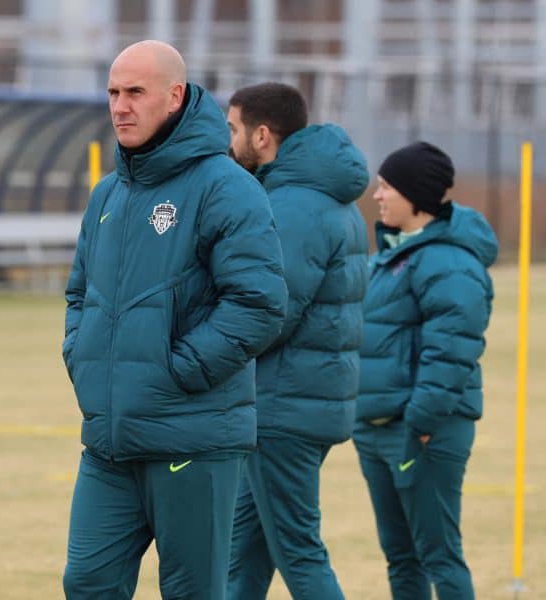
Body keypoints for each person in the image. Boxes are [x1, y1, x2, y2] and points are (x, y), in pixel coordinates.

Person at [61, 41, 288, 600]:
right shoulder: (108, 194)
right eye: (113, 92)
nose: (120, 106)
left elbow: (258, 303)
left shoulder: (226, 187)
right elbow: (78, 295)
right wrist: (82, 357)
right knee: (86, 583)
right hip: (110, 444)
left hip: (193, 442)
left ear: (175, 95)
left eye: (135, 92)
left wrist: (177, 370)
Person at [224, 82, 369, 600]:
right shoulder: (320, 198)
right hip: (299, 403)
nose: (229, 139)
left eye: (233, 128)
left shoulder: (294, 206)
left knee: (300, 554)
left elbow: (270, 311)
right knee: (240, 556)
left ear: (261, 136)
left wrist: (209, 353)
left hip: (282, 410)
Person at [354, 141, 497, 599]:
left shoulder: (449, 260)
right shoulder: (390, 254)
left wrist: (422, 421)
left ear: (416, 196)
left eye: (387, 186)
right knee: (401, 557)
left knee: (439, 556)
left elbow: (452, 350)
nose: (377, 195)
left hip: (424, 432)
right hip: (377, 431)